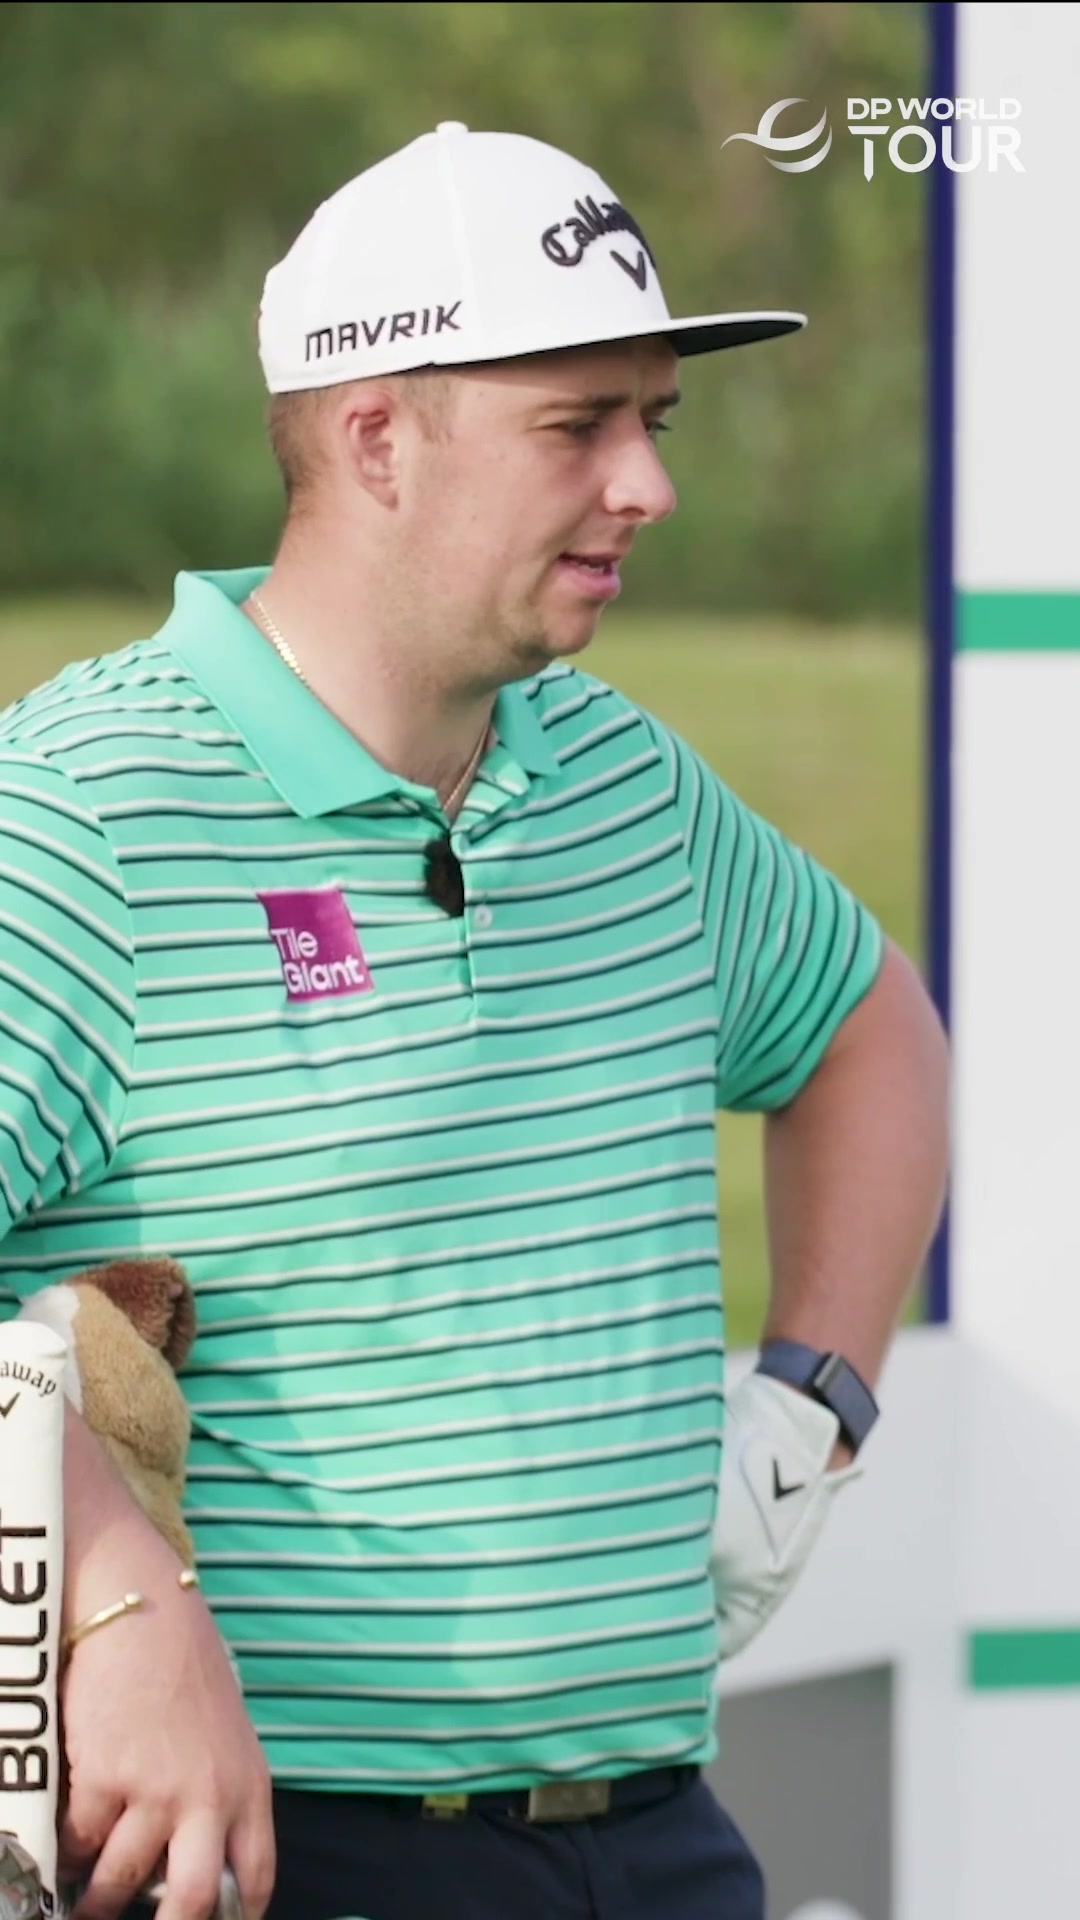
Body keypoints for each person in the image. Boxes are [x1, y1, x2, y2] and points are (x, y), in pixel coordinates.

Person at [2, 122, 949, 1920]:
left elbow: (865, 1027)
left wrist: (812, 1402)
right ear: (378, 437)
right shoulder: (79, 820)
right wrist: (114, 1597)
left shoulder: (626, 785)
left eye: (652, 421)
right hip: (267, 1857)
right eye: (576, 425)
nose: (648, 485)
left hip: (657, 1837)